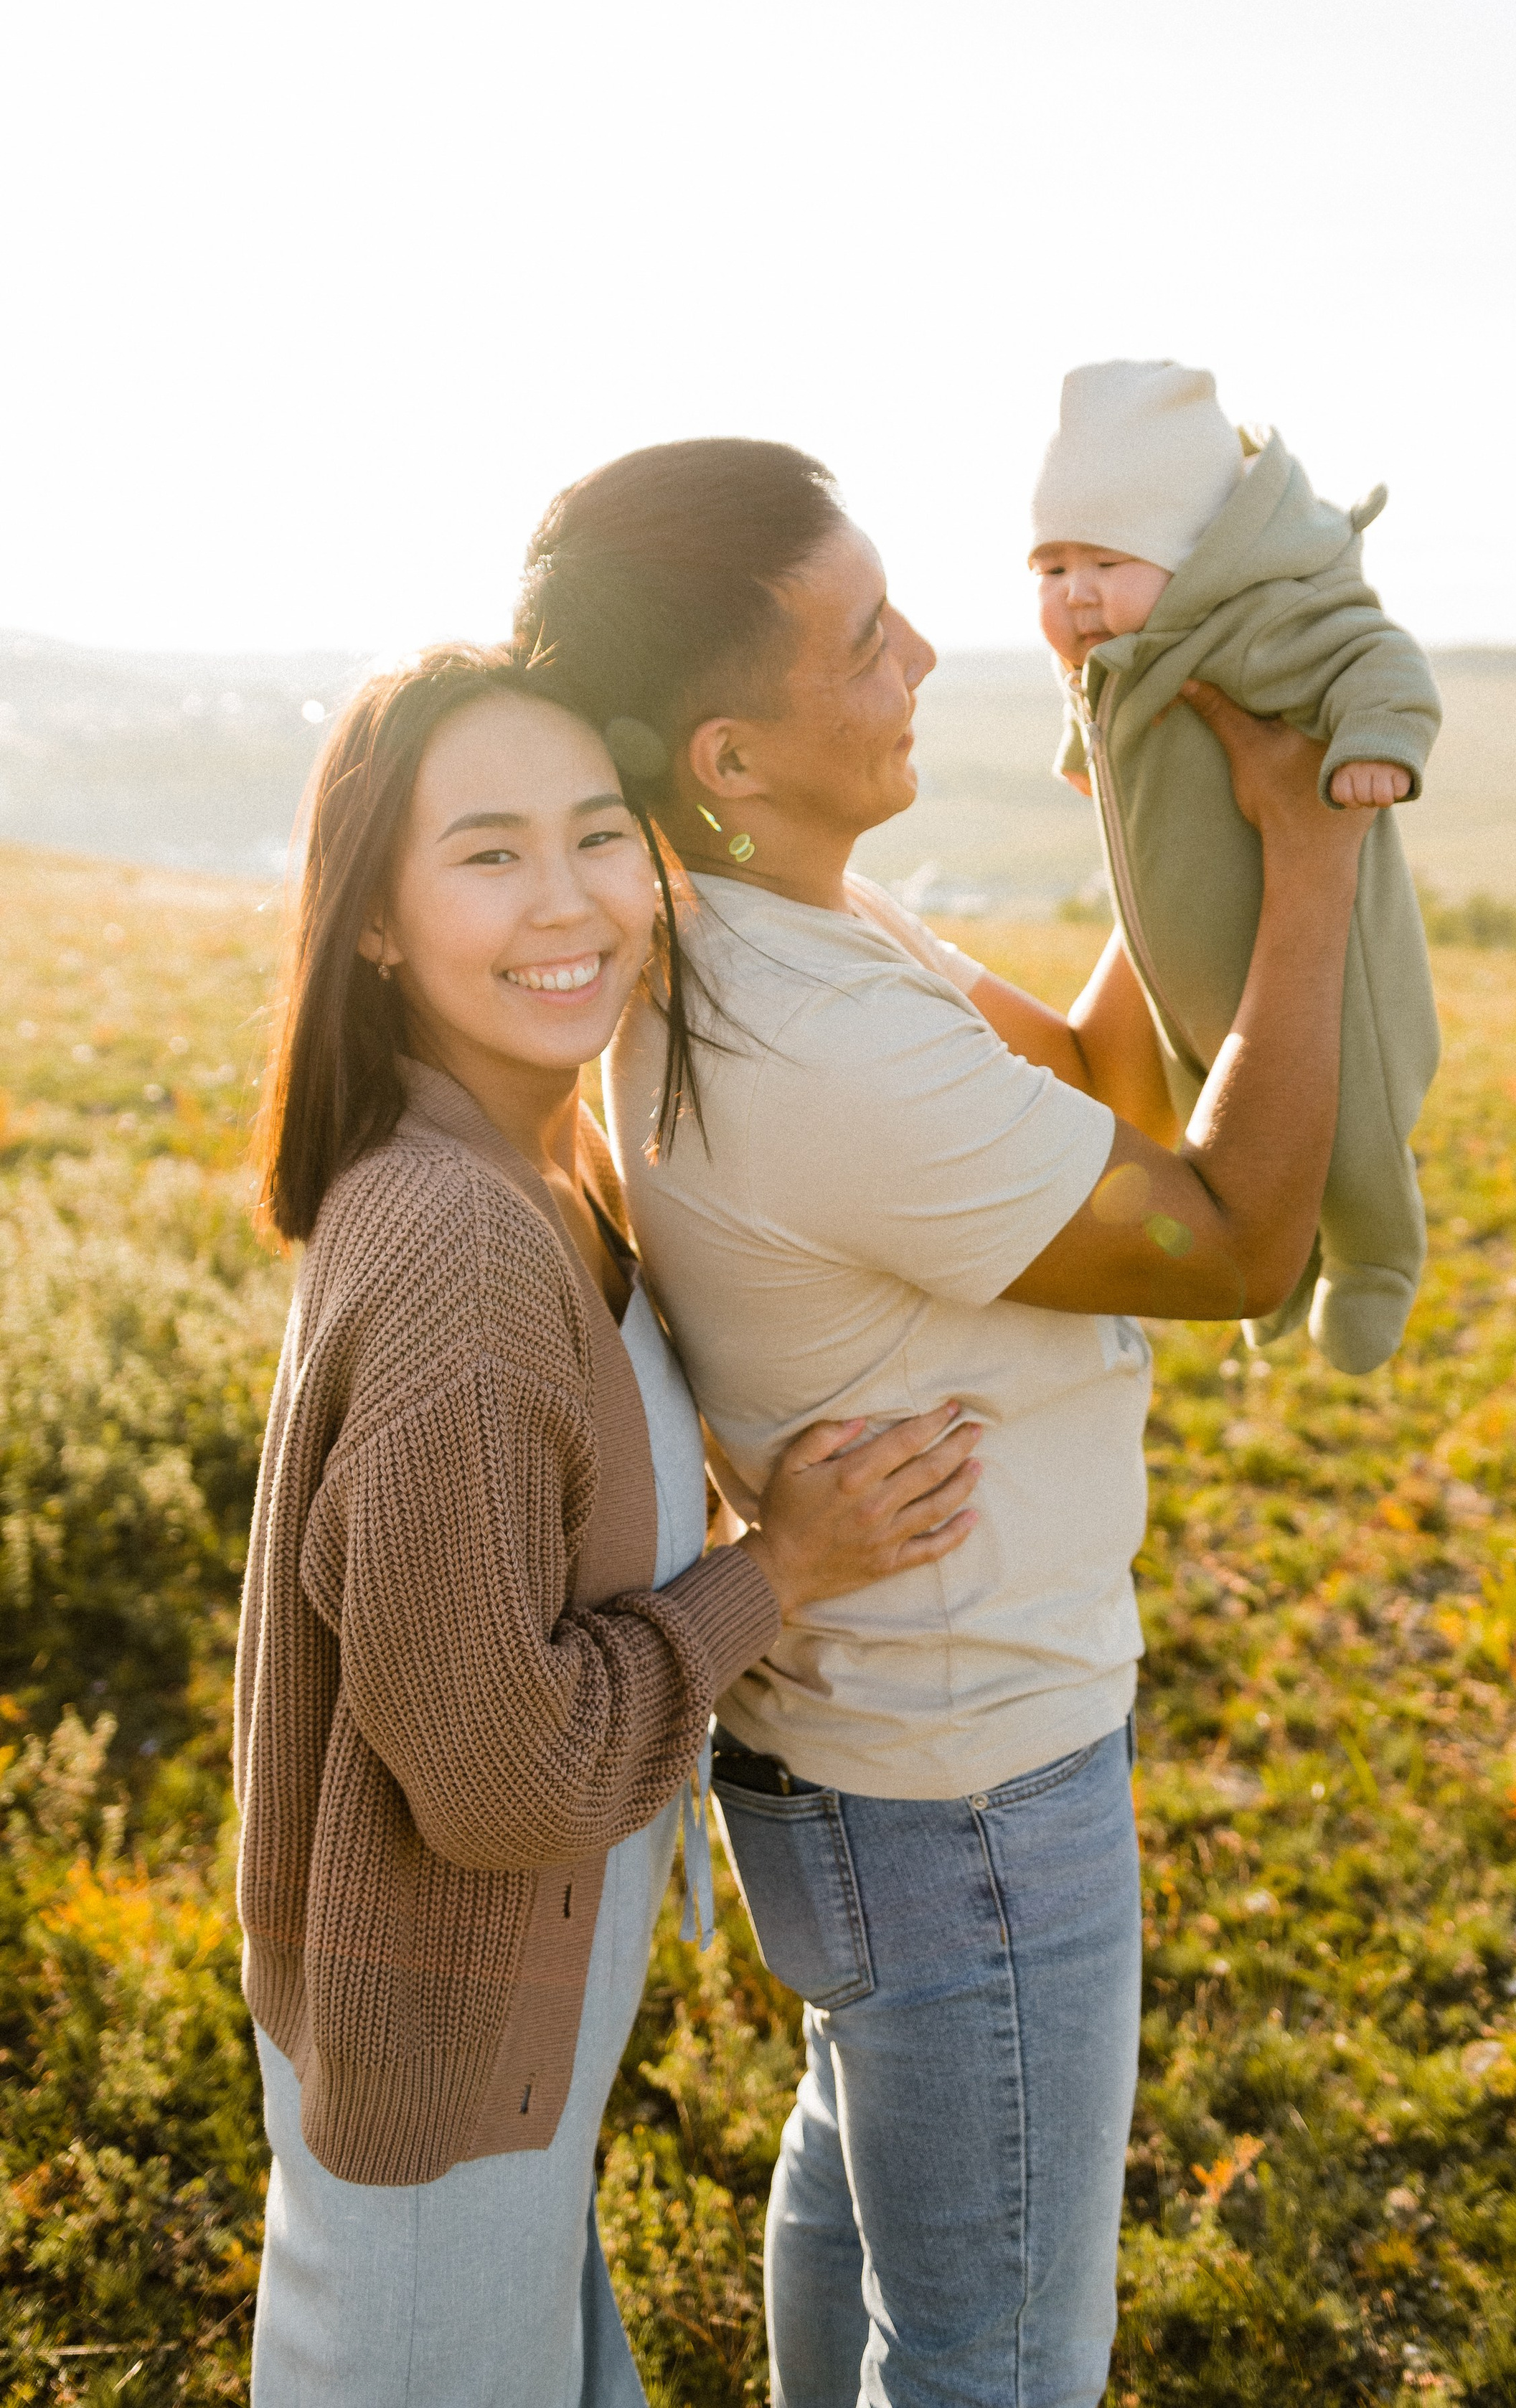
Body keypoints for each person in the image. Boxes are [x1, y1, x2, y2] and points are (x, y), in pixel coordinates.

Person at [515, 436, 1383, 2408]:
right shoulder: (821, 1043)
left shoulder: (779, 932)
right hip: (968, 1790)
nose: (921, 653)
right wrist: (1316, 857)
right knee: (996, 2360)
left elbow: (1090, 1072)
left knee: (860, 2197)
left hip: (861, 1755)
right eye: (860, 639)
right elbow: (1241, 1235)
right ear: (727, 756)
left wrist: (1166, 810)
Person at [233, 641, 979, 2408]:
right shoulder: (462, 1249)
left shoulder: (541, 1163)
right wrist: (775, 1573)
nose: (565, 900)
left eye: (595, 835)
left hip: (484, 2044)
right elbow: (498, 1774)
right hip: (441, 2070)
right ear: (374, 922)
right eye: (487, 853)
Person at [1030, 357, 1444, 1373]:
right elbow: (1105, 701)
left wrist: (1377, 743)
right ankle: (1285, 1263)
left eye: (1108, 561)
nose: (1077, 594)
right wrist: (1084, 749)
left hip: (1318, 963)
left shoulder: (1254, 630)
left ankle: (1377, 1263)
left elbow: (1376, 655)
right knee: (1222, 1109)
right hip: (1189, 971)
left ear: (1195, 557)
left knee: (1353, 1128)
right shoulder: (1134, 647)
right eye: (1051, 568)